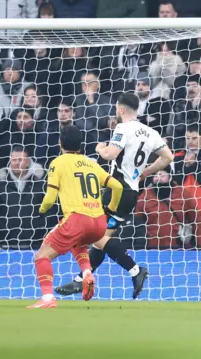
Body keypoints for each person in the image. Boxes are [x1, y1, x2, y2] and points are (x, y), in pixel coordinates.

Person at [55, 92, 174, 299]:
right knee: (102, 238)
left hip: (117, 192)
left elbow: (110, 154)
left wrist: (100, 148)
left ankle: (135, 270)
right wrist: (145, 172)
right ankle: (80, 279)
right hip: (132, 191)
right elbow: (168, 157)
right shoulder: (150, 132)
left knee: (94, 235)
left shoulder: (122, 128)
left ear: (120, 109)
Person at [28, 125, 124, 308]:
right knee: (77, 242)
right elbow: (117, 187)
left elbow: (49, 199)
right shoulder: (91, 163)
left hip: (78, 219)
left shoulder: (58, 162)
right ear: (80, 145)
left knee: (41, 256)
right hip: (99, 224)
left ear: (60, 143)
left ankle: (47, 298)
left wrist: (40, 212)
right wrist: (110, 209)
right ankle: (87, 272)